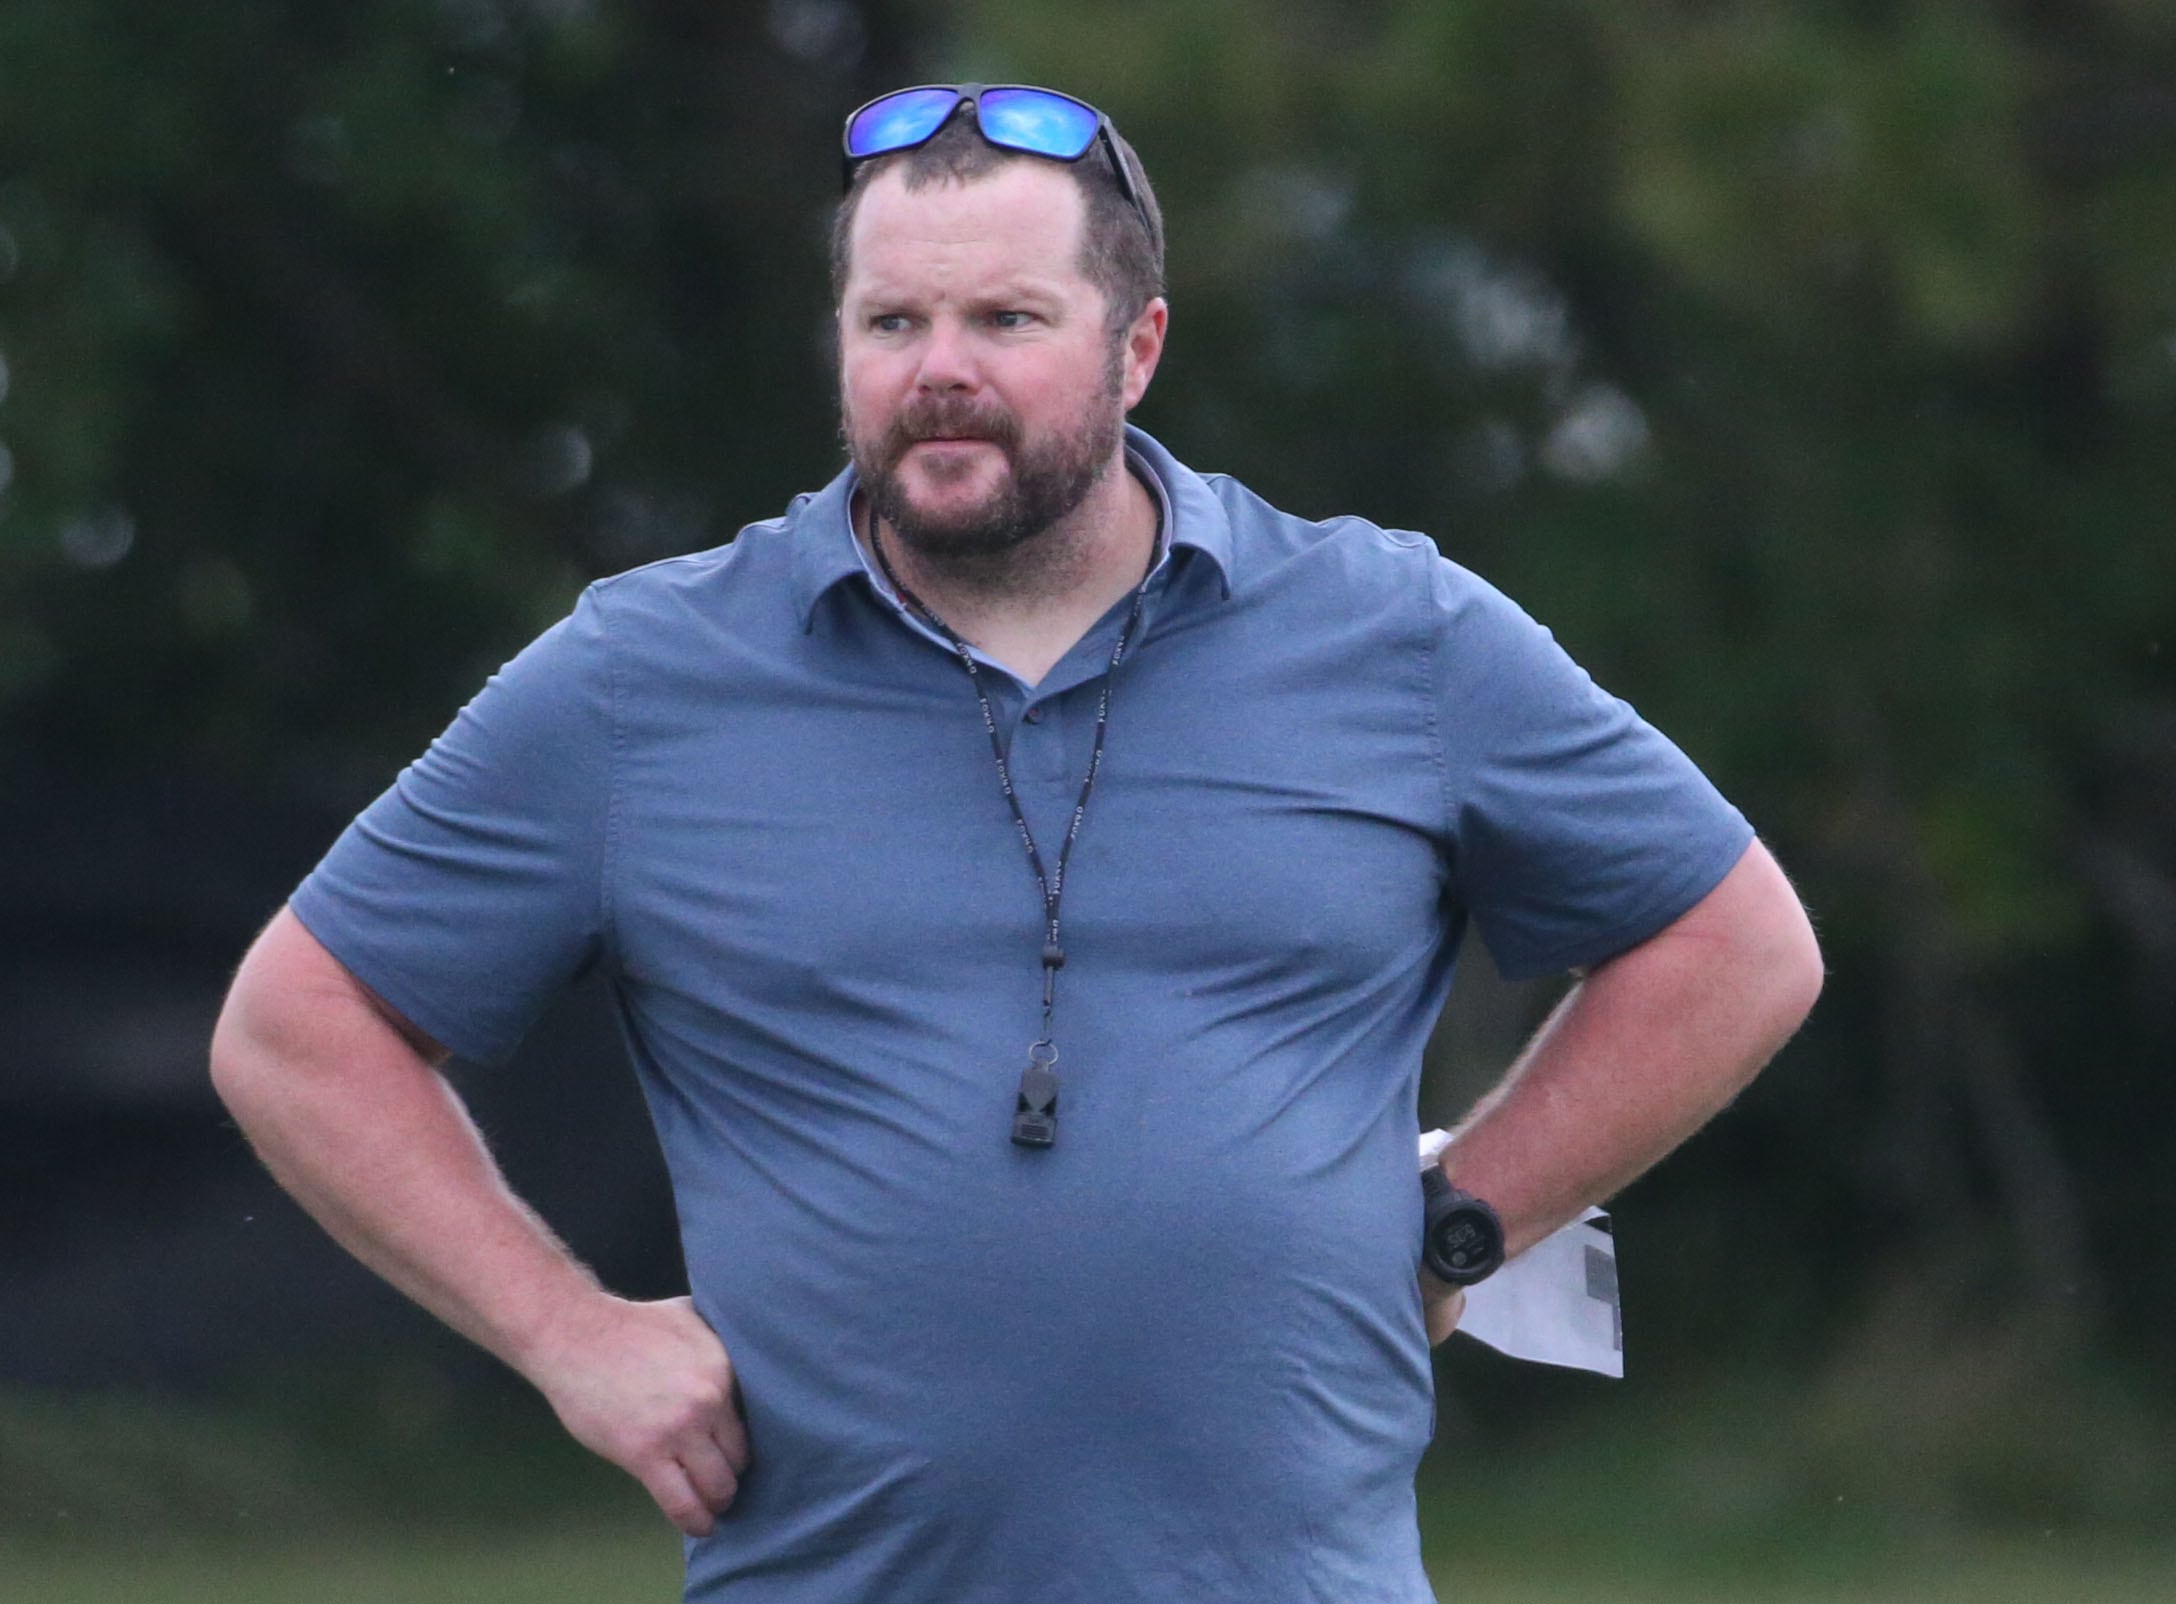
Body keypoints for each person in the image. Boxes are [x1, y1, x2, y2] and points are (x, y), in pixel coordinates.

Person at [210, 83, 1823, 1604]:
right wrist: (568, 1334)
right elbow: (300, 1028)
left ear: (1138, 349)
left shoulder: (1389, 631)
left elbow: (1733, 943)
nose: (939, 370)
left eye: (1006, 320)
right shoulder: (646, 678)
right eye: (891, 322)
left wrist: (1469, 1224)